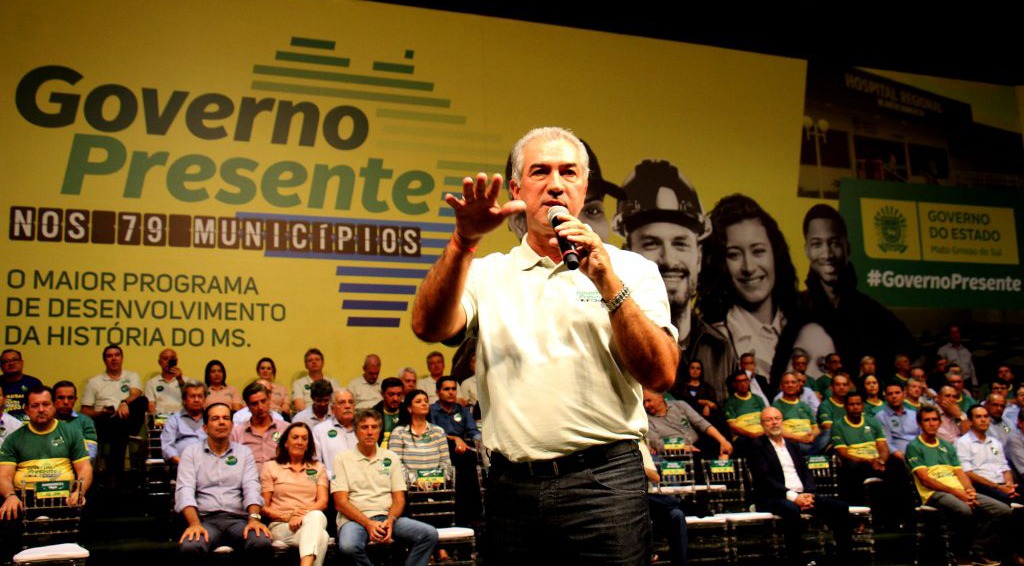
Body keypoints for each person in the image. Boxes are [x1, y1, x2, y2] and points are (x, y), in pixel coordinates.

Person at [411, 126, 678, 563]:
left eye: (568, 172)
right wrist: (464, 243)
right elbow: (428, 326)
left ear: (584, 186)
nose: (555, 184)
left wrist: (607, 280)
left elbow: (661, 374)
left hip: (605, 484)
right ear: (517, 188)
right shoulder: (488, 273)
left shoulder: (632, 268)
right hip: (511, 489)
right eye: (540, 172)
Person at [612, 159, 732, 403]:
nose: (668, 259)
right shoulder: (608, 334)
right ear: (626, 251)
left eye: (680, 243)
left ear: (698, 257)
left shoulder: (720, 348)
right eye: (651, 243)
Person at [792, 204, 917, 378]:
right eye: (817, 244)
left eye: (834, 243)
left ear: (847, 247)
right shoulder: (794, 308)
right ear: (807, 250)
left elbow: (915, 353)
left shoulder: (872, 311)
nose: (827, 254)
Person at [698, 194, 798, 381]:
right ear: (720, 264)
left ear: (776, 253)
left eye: (758, 251)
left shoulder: (803, 323)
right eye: (734, 255)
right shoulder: (714, 341)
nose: (749, 267)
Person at [332, 409, 438, 566]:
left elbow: (399, 498)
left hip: (387, 517)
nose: (370, 432)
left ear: (380, 431)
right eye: (364, 427)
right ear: (355, 431)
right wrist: (368, 523)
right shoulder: (342, 458)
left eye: (374, 427)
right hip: (354, 520)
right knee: (349, 546)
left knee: (429, 534)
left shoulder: (391, 457)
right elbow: (340, 502)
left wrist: (390, 520)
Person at [748, 407, 851, 566]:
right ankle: (795, 559)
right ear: (762, 424)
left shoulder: (792, 445)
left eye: (777, 418)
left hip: (802, 496)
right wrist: (794, 498)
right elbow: (764, 479)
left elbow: (805, 473)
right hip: (774, 497)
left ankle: (844, 557)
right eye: (769, 420)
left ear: (782, 421)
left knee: (840, 507)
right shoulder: (757, 445)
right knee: (791, 509)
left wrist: (809, 494)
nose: (774, 422)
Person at [906, 406, 1008, 566]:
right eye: (927, 420)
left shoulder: (947, 446)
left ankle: (977, 550)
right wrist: (957, 493)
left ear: (939, 423)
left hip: (959, 491)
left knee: (1002, 510)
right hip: (933, 493)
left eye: (934, 420)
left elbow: (960, 473)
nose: (931, 423)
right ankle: (960, 554)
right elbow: (925, 480)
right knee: (964, 510)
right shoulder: (914, 447)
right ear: (920, 424)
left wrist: (970, 491)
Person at [0, 386, 92, 562]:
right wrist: (9, 495)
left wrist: (79, 492)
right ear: (26, 409)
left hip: (64, 498)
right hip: (24, 499)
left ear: (53, 406)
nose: (41, 409)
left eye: (46, 404)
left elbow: (85, 468)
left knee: (87, 506)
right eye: (35, 406)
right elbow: (3, 475)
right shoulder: (14, 439)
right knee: (6, 512)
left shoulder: (72, 433)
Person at [175, 403, 272, 563]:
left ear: (232, 425)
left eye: (226, 418)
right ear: (205, 427)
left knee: (261, 542)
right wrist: (194, 523)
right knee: (190, 546)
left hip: (239, 520)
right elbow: (185, 491)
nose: (221, 422)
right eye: (215, 419)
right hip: (205, 520)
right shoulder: (191, 453)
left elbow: (252, 488)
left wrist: (254, 519)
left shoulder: (244, 452)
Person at [260, 422, 329, 566]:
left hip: (309, 522)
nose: (300, 442)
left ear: (309, 444)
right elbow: (263, 506)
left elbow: (323, 501)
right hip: (282, 526)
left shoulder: (318, 468)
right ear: (286, 442)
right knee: (321, 535)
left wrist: (301, 516)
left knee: (317, 522)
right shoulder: (271, 467)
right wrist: (288, 517)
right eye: (295, 437)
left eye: (304, 438)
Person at [81, 344, 147, 488]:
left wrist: (124, 402)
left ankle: (112, 476)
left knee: (142, 401)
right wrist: (101, 412)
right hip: (104, 422)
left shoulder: (131, 376)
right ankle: (117, 476)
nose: (114, 358)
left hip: (127, 419)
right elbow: (85, 410)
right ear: (104, 360)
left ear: (122, 358)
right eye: (109, 356)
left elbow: (136, 393)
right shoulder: (94, 382)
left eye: (117, 355)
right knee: (119, 430)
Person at [428, 377, 482, 525]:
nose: (451, 392)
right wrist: (454, 439)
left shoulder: (462, 410)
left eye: (453, 389)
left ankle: (473, 515)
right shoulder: (432, 410)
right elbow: (432, 433)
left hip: (462, 450)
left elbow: (473, 431)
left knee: (470, 458)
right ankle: (465, 516)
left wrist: (482, 441)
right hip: (439, 449)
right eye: (446, 389)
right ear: (438, 392)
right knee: (465, 460)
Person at [830, 391, 888, 504]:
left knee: (897, 465)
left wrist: (881, 461)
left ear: (863, 405)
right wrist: (868, 461)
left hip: (875, 460)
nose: (855, 407)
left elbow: (883, 447)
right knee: (851, 467)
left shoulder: (873, 421)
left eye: (858, 404)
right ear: (845, 406)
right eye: (852, 404)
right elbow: (843, 453)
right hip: (857, 462)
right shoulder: (838, 425)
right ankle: (858, 511)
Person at [643, 388, 733, 459]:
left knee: (719, 424)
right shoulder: (646, 419)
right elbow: (658, 444)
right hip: (676, 453)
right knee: (699, 457)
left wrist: (722, 440)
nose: (646, 405)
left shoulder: (680, 405)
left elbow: (701, 423)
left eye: (649, 401)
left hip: (697, 444)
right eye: (644, 402)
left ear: (660, 397)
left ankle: (724, 455)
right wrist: (684, 448)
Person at [955, 405, 1019, 505]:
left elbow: (1005, 468)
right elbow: (967, 473)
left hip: (1002, 485)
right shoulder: (962, 443)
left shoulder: (995, 442)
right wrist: (997, 487)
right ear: (970, 421)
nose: (983, 420)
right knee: (1008, 500)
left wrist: (1009, 485)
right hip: (982, 486)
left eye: (986, 416)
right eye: (978, 417)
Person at [388, 390, 450, 484]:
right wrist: (415, 481)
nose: (424, 404)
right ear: (409, 408)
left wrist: (437, 479)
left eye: (426, 401)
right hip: (408, 487)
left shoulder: (438, 431)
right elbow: (396, 464)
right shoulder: (399, 432)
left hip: (437, 485)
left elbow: (445, 462)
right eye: (418, 401)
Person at [231, 382, 289, 473]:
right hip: (248, 480)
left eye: (263, 401)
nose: (260, 407)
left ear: (269, 399)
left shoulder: (286, 429)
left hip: (280, 479)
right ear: (248, 406)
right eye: (254, 404)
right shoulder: (237, 432)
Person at [771, 372, 820, 454]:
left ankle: (814, 450)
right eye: (786, 383)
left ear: (798, 386)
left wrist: (812, 436)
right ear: (781, 387)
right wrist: (800, 438)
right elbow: (776, 431)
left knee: (828, 433)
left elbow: (816, 427)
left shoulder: (804, 405)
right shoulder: (776, 406)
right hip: (793, 442)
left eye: (793, 382)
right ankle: (815, 451)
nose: (790, 385)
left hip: (809, 440)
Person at [312, 389, 356, 477]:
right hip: (332, 483)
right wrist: (335, 478)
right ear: (332, 409)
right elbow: (315, 464)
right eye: (342, 402)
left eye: (350, 402)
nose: (347, 406)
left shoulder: (365, 428)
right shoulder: (319, 430)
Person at [162, 382, 208, 464]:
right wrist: (183, 464)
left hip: (209, 464)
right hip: (181, 464)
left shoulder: (211, 419)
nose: (196, 400)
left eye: (200, 396)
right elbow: (167, 447)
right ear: (184, 400)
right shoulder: (174, 420)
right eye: (192, 396)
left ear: (205, 400)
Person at [52, 380, 98, 460]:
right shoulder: (45, 421)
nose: (66, 402)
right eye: (61, 398)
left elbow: (91, 452)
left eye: (70, 398)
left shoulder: (85, 421)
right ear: (53, 399)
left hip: (77, 465)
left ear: (75, 400)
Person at [292, 348, 342, 413]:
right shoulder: (298, 383)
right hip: (308, 417)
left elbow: (338, 403)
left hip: (330, 416)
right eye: (310, 360)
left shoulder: (333, 382)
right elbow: (299, 407)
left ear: (323, 363)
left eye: (317, 359)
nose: (314, 362)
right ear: (305, 365)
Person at [1, 349, 43, 422]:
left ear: (21, 363)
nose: (11, 363)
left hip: (27, 424)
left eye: (14, 360)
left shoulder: (33, 383)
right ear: (1, 366)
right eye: (6, 361)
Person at [145, 348, 187, 415]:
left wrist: (180, 379)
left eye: (172, 358)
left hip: (181, 418)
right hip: (161, 419)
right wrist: (159, 423)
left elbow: (189, 398)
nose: (169, 361)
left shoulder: (186, 381)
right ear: (159, 362)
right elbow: (151, 405)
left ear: (176, 360)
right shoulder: (152, 383)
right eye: (165, 358)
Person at [371, 378, 407, 447]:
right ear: (382, 394)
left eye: (399, 395)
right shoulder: (374, 413)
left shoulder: (407, 411)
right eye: (391, 394)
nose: (395, 399)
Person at [938, 325, 976, 389]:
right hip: (953, 383)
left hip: (967, 382)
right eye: (952, 333)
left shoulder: (966, 350)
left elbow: (971, 368)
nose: (955, 335)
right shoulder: (943, 350)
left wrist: (974, 384)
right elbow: (940, 370)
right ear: (949, 335)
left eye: (957, 332)